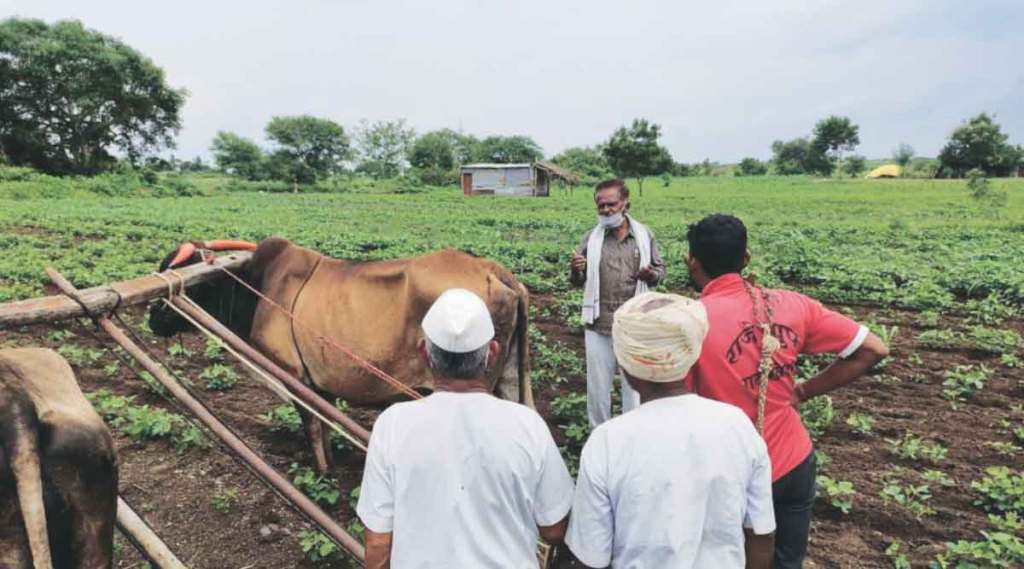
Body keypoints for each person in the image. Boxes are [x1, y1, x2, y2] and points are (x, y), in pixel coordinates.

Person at [684, 214, 889, 569]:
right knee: (785, 561)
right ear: (746, 258)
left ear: (692, 263)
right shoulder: (794, 305)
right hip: (792, 461)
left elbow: (680, 408)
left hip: (727, 469)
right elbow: (873, 348)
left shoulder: (689, 320)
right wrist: (803, 391)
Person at [356, 288, 573, 569]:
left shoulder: (392, 424)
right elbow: (554, 528)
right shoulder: (527, 425)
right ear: (492, 353)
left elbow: (378, 544)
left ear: (424, 353)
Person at [566, 292, 776, 569]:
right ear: (691, 355)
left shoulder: (608, 441)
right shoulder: (736, 425)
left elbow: (590, 557)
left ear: (627, 369)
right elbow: (761, 535)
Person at [570, 178, 665, 428]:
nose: (606, 210)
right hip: (599, 324)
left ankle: (631, 436)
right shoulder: (591, 238)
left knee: (633, 388)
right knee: (597, 389)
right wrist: (577, 270)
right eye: (601, 206)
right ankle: (598, 437)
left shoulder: (644, 236)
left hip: (634, 324)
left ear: (625, 204)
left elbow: (660, 271)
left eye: (611, 205)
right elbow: (577, 282)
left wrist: (651, 275)